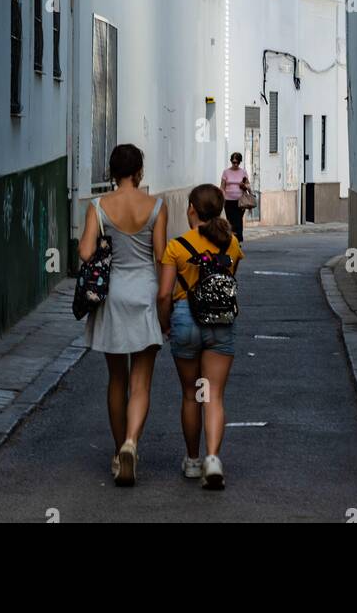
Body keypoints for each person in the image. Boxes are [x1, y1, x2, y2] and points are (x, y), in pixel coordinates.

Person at [78, 144, 167, 487]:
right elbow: (161, 257)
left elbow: (86, 251)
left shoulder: (98, 206)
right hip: (144, 292)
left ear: (111, 172)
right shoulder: (156, 207)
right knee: (140, 382)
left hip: (112, 296)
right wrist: (165, 305)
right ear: (139, 172)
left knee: (116, 379)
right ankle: (132, 442)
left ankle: (118, 452)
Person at [158, 184, 243, 490]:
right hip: (220, 320)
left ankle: (193, 461)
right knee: (214, 396)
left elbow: (165, 294)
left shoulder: (176, 246)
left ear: (191, 208)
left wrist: (165, 324)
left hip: (184, 319)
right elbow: (229, 282)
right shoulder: (231, 244)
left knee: (191, 394)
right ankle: (213, 458)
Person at [220, 152, 251, 243]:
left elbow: (248, 185)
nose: (235, 164)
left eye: (237, 162)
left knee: (238, 220)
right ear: (231, 161)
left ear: (240, 162)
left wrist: (244, 186)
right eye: (234, 162)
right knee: (230, 220)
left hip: (240, 201)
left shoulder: (243, 172)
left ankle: (238, 239)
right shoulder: (226, 172)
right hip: (228, 200)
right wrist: (222, 197)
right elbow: (222, 186)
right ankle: (232, 239)